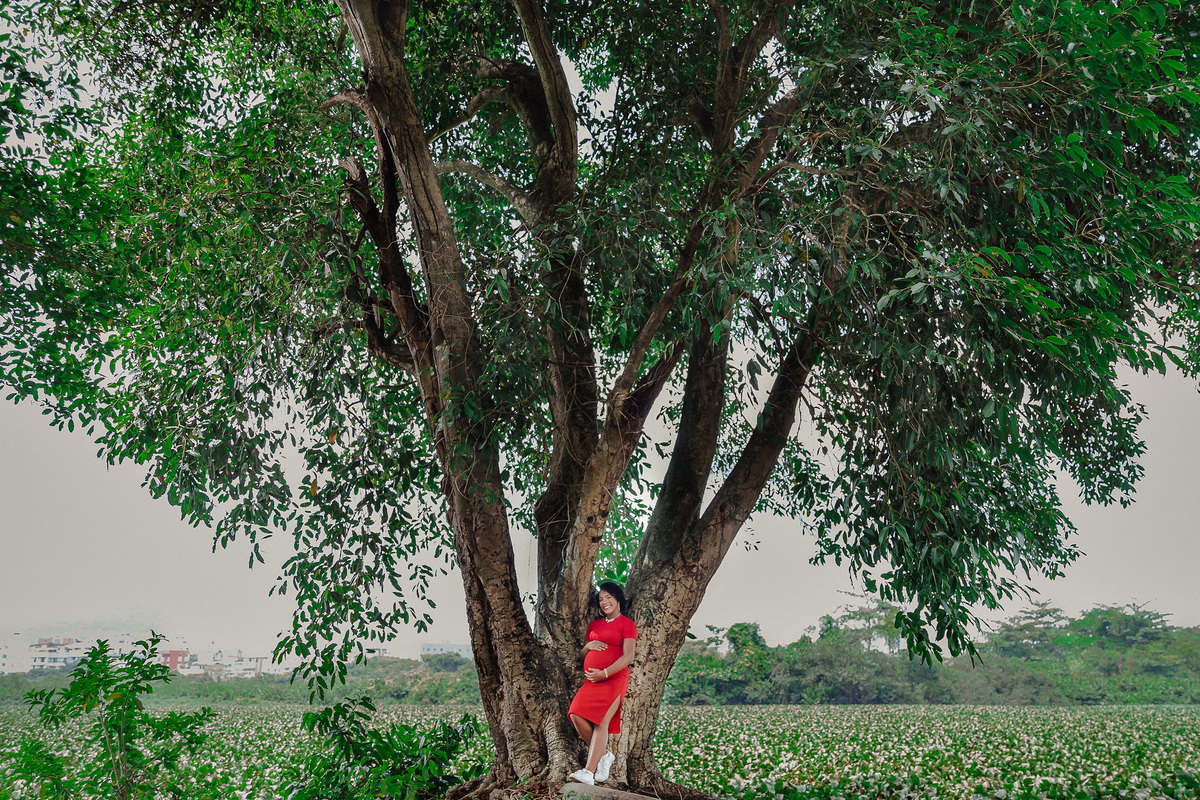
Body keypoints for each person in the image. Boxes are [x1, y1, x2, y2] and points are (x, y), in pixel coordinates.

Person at [566, 581, 637, 786]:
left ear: (617, 598)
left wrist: (604, 673)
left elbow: (628, 656)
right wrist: (588, 646)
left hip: (614, 679)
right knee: (575, 714)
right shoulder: (595, 625)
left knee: (601, 722)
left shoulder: (627, 624)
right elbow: (582, 655)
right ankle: (605, 755)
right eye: (600, 599)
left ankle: (588, 772)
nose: (604, 602)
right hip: (593, 681)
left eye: (608, 597)